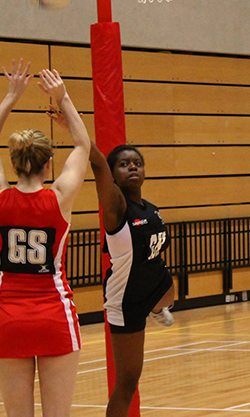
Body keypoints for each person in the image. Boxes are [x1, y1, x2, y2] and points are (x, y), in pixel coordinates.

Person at [48, 108, 176, 417]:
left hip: (155, 284)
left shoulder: (151, 208)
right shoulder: (117, 207)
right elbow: (96, 162)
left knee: (170, 290)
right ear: (114, 174)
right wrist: (72, 124)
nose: (132, 167)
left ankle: (157, 309)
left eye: (137, 163)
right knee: (128, 381)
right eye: (123, 164)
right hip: (127, 300)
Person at [0, 60, 90, 416]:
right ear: (48, 164)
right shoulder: (59, 198)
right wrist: (63, 98)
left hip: (8, 317)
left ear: (14, 163)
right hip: (53, 315)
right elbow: (83, 146)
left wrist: (12, 96)